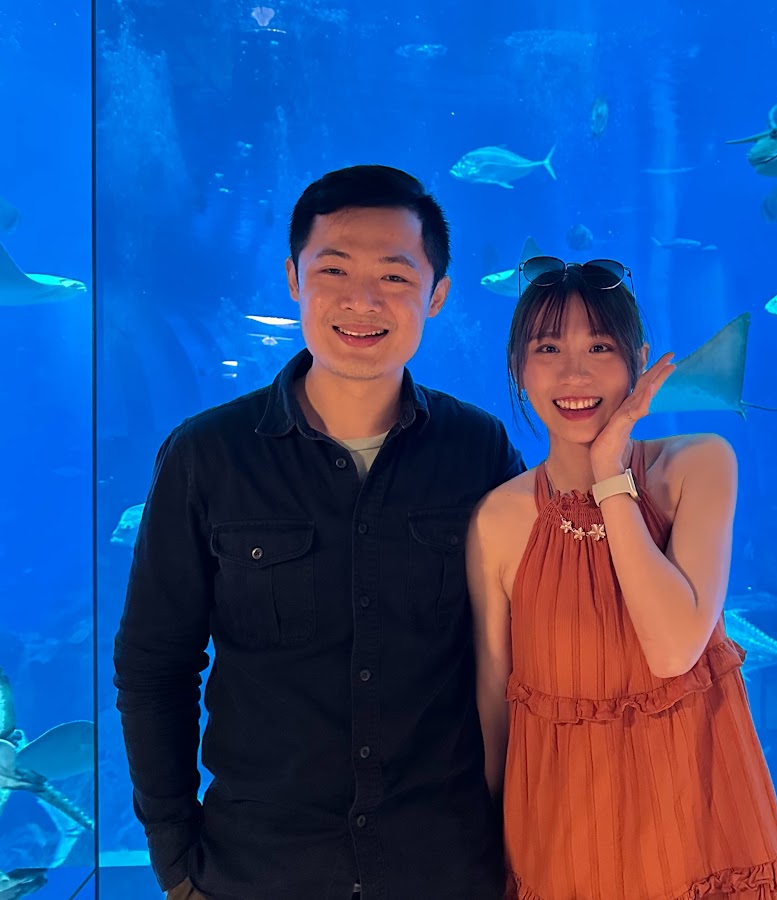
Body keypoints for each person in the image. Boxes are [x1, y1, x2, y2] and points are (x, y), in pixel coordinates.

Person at [113, 164, 524, 900]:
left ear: (437, 294)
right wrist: (174, 860)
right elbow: (154, 666)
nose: (362, 301)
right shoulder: (207, 454)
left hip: (446, 867)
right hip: (257, 870)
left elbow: (534, 643)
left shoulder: (479, 449)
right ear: (293, 279)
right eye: (333, 269)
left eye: (395, 276)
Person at [467, 257, 777, 900]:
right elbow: (494, 711)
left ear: (640, 362)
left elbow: (672, 648)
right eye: (548, 348)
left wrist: (610, 475)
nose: (574, 373)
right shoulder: (497, 520)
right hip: (564, 845)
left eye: (600, 347)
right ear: (518, 366)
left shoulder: (699, 466)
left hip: (705, 836)